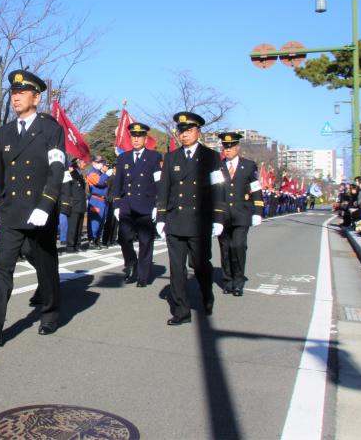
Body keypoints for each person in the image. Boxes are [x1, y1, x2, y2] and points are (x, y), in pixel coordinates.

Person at [0, 69, 65, 346]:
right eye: (13, 93)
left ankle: (49, 314)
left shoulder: (51, 129)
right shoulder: (6, 132)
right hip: (11, 212)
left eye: (22, 93)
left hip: (38, 211)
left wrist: (46, 204)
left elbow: (56, 169)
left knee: (46, 266)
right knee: (2, 269)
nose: (15, 98)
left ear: (36, 97)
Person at [155, 111, 226, 326]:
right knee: (176, 269)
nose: (184, 135)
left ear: (197, 131)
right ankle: (181, 310)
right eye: (181, 131)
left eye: (188, 130)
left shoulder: (211, 157)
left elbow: (219, 189)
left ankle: (206, 295)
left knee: (200, 265)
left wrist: (218, 218)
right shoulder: (171, 157)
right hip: (176, 220)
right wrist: (160, 217)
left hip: (199, 221)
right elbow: (164, 188)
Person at [113, 122, 162, 287]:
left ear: (145, 138)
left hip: (146, 204)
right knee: (123, 238)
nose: (136, 139)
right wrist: (116, 205)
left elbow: (158, 182)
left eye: (139, 136)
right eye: (133, 136)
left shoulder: (154, 157)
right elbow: (117, 183)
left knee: (145, 242)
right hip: (127, 205)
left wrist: (158, 204)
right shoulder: (123, 158)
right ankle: (131, 262)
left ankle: (142, 276)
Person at [216, 132, 263, 297]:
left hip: (242, 213)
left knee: (238, 246)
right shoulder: (218, 166)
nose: (227, 150)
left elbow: (256, 189)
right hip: (223, 215)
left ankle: (238, 281)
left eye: (230, 147)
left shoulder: (249, 166)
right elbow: (215, 191)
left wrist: (258, 211)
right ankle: (227, 280)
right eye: (225, 147)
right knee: (225, 248)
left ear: (237, 147)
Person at [60, 158, 87, 253]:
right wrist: (67, 203)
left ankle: (77, 244)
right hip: (73, 204)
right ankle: (70, 246)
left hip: (81, 204)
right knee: (73, 227)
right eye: (83, 162)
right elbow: (66, 190)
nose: (85, 163)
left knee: (79, 226)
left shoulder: (79, 175)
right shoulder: (69, 175)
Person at [86, 156, 111, 248]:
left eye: (101, 162)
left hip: (103, 200)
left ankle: (97, 240)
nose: (101, 164)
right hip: (96, 199)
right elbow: (99, 182)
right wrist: (107, 174)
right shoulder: (92, 172)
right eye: (99, 162)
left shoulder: (100, 173)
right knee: (95, 221)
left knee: (101, 221)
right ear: (93, 163)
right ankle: (91, 240)